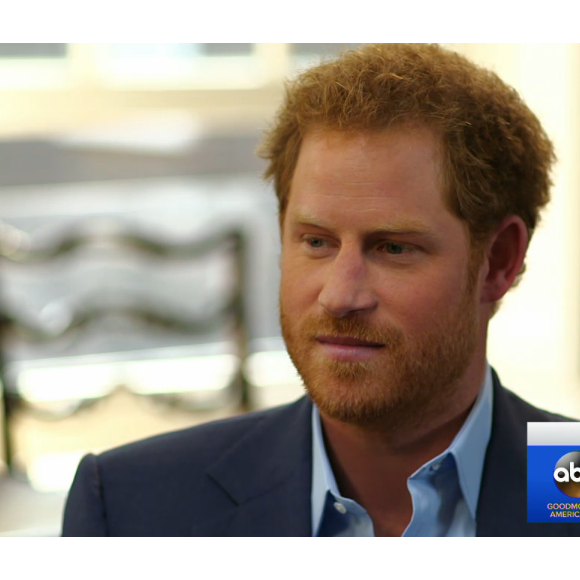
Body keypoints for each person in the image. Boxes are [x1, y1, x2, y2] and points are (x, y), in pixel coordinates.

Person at [62, 43, 579, 537]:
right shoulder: (130, 506)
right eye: (316, 241)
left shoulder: (566, 482)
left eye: (393, 248)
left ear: (499, 262)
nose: (339, 295)